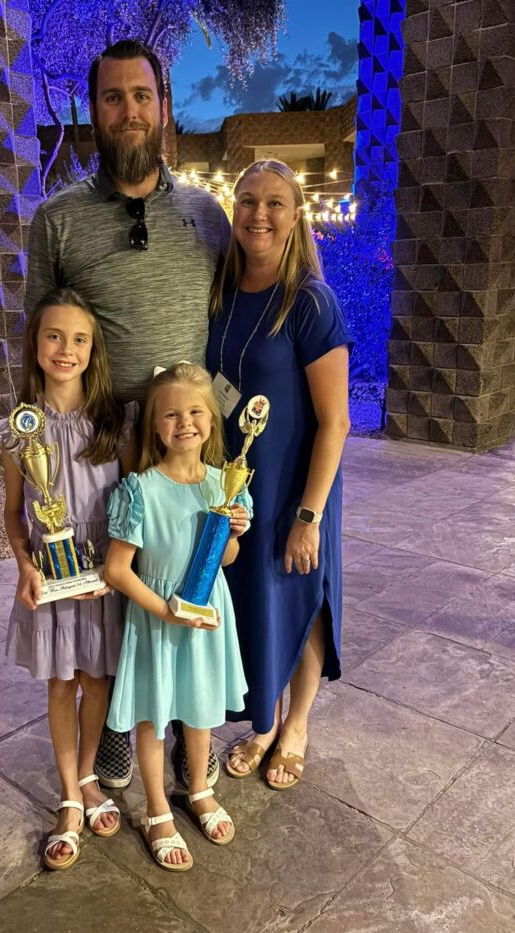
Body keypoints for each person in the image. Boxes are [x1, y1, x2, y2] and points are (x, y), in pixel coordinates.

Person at [24, 38, 230, 789]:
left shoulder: (208, 216)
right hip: (102, 449)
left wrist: (223, 430)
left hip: (185, 445)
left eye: (142, 96)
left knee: (184, 577)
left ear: (164, 106)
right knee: (115, 594)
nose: (129, 111)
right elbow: (39, 338)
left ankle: (185, 729)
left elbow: (226, 326)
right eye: (114, 97)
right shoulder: (58, 220)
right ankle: (118, 729)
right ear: (95, 111)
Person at [206, 160, 352, 791]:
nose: (257, 215)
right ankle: (263, 723)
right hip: (240, 486)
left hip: (296, 484)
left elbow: (337, 422)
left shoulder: (311, 302)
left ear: (296, 217)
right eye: (246, 201)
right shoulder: (220, 291)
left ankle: (295, 728)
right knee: (256, 603)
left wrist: (309, 514)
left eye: (273, 203)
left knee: (302, 595)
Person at [0, 287, 138, 871]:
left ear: (93, 349)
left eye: (79, 339)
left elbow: (134, 502)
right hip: (51, 583)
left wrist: (119, 566)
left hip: (103, 577)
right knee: (61, 683)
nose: (66, 349)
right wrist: (26, 565)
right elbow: (13, 514)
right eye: (54, 336)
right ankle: (69, 797)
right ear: (34, 344)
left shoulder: (116, 421)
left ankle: (88, 779)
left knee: (96, 683)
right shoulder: (17, 431)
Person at [103, 364, 251, 871]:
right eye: (171, 414)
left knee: (201, 703)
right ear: (155, 425)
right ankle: (156, 808)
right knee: (153, 714)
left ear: (211, 420)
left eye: (194, 412)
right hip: (157, 619)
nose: (184, 422)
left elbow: (227, 559)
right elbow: (118, 570)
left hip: (207, 614)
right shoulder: (140, 490)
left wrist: (231, 532)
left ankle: (198, 788)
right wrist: (165, 609)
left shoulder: (225, 485)